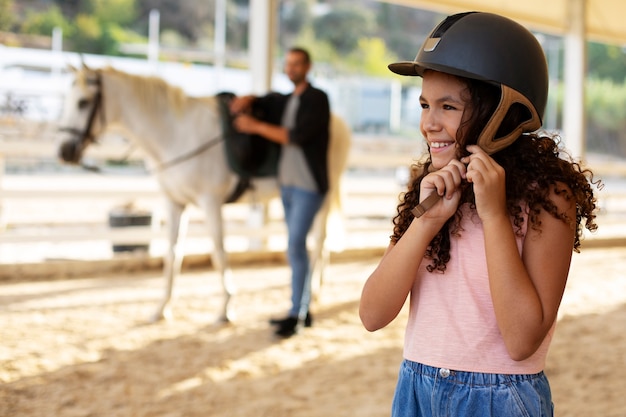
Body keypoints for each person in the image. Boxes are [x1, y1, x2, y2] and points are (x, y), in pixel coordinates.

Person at [359, 12, 598, 416]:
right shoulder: (431, 190)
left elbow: (522, 340)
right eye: (424, 105)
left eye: (447, 107)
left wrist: (494, 217)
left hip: (501, 397)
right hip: (416, 389)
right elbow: (372, 314)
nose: (427, 124)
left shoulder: (550, 198)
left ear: (501, 112)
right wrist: (427, 220)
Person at [230, 47, 330, 338]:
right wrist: (250, 100)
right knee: (296, 247)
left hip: (309, 186)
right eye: (288, 64)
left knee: (295, 247)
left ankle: (295, 314)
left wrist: (255, 126)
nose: (291, 68)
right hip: (287, 185)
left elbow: (296, 137)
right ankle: (304, 309)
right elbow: (266, 100)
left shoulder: (317, 99)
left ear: (307, 66)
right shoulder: (286, 100)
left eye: (297, 64)